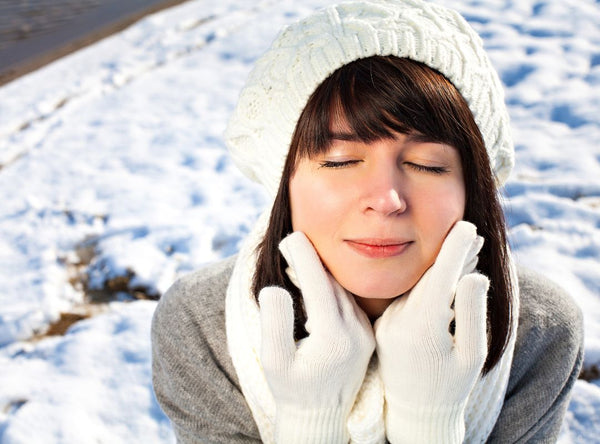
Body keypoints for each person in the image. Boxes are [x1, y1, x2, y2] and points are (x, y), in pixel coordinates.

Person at [151, 0, 584, 442]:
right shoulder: (202, 324)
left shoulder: (538, 329)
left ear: (473, 188)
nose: (386, 199)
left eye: (427, 164)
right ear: (284, 182)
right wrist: (309, 421)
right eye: (341, 161)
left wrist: (428, 422)